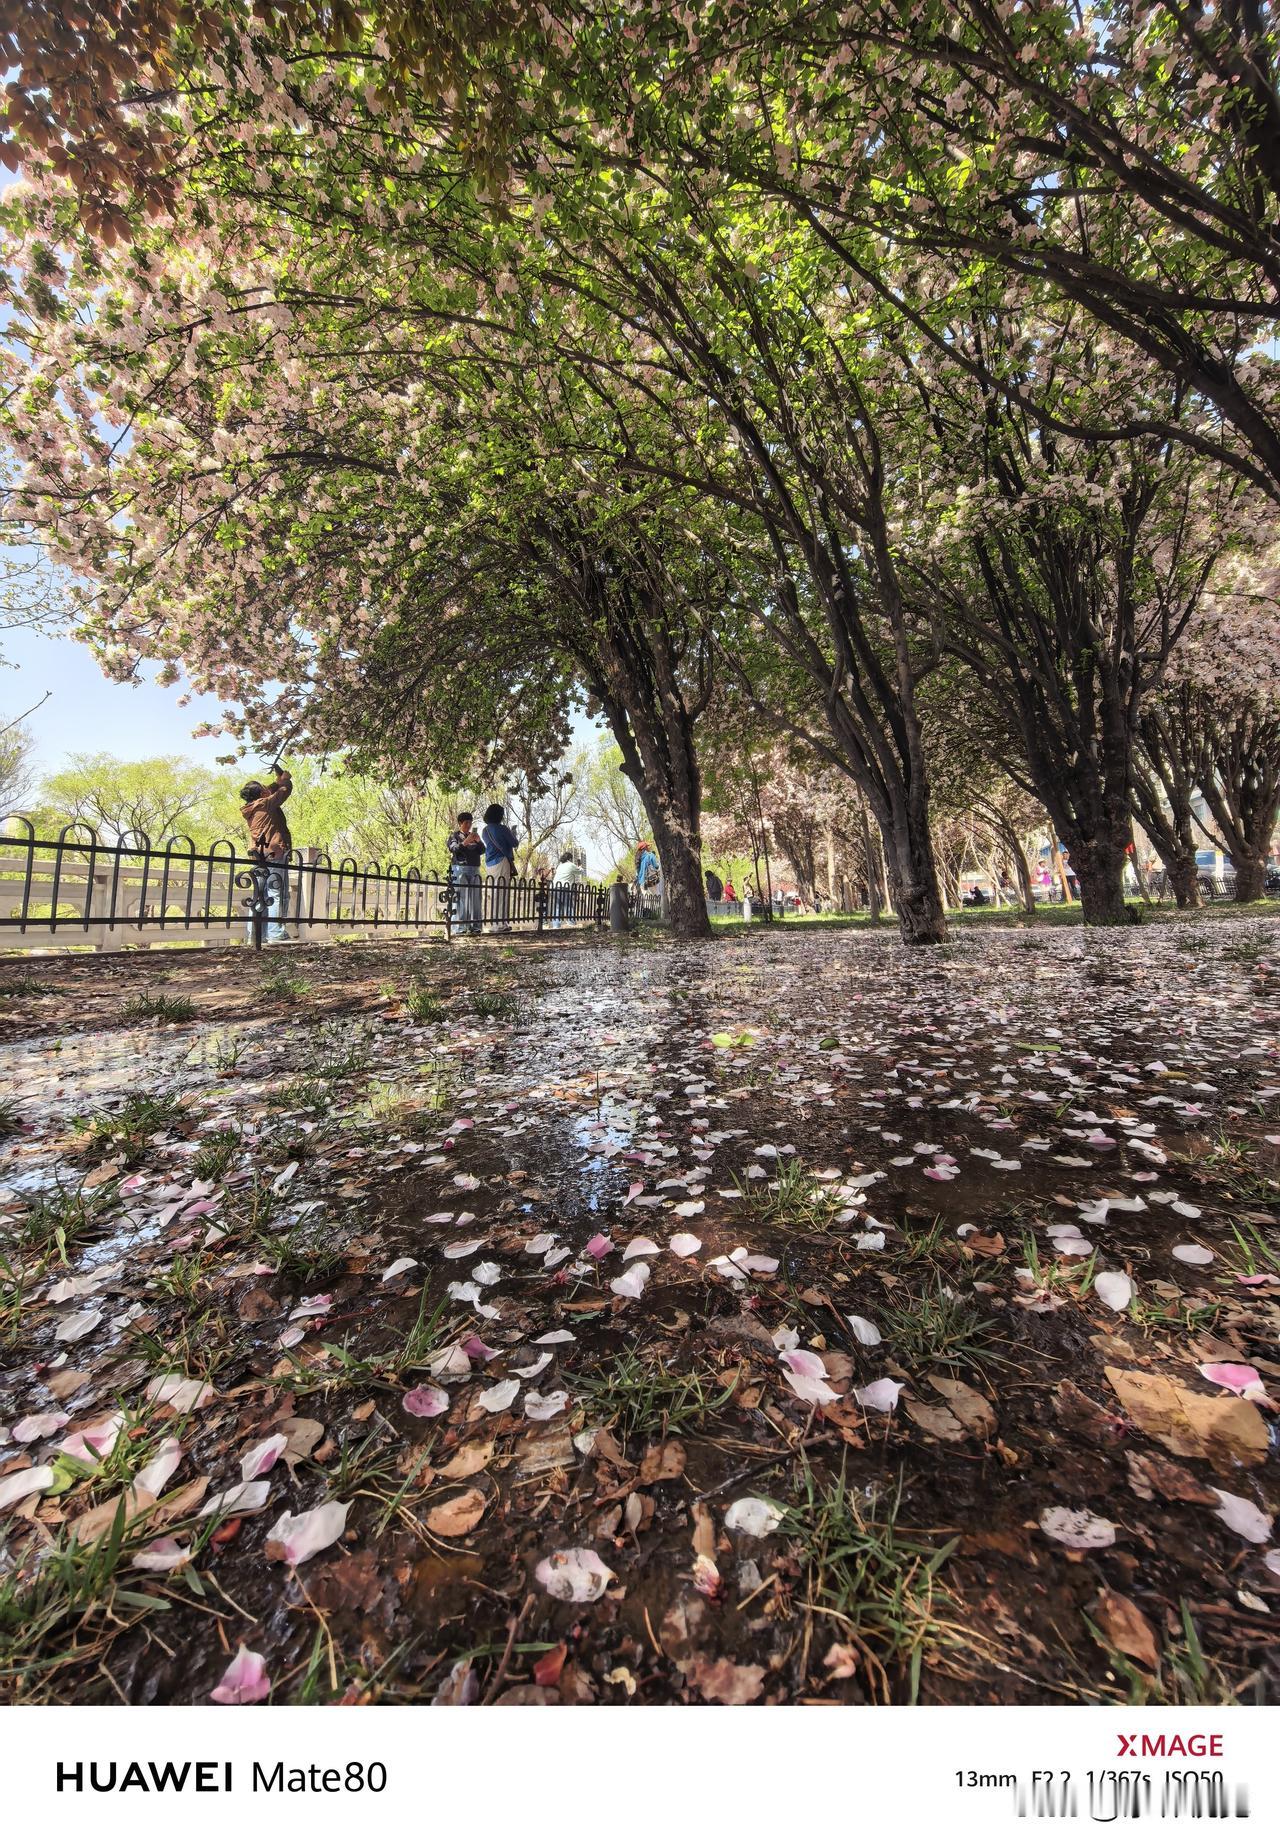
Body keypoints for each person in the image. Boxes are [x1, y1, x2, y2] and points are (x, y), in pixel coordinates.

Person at [240, 763, 293, 943]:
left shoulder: (254, 807)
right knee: (276, 892)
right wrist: (285, 780)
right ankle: (275, 933)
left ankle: (255, 935)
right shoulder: (265, 803)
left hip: (259, 854)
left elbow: (270, 790)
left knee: (259, 894)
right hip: (274, 852)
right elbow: (283, 791)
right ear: (262, 795)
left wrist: (277, 779)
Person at [481, 801, 519, 932]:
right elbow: (514, 843)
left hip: (489, 863)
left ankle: (494, 922)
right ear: (499, 815)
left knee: (493, 892)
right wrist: (513, 832)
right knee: (502, 892)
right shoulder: (503, 829)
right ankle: (500, 923)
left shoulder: (485, 830)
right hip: (502, 861)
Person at [447, 811, 484, 935]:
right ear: (460, 823)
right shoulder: (454, 836)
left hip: (474, 868)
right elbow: (454, 849)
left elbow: (482, 850)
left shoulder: (474, 835)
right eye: (466, 823)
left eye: (470, 822)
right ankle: (459, 927)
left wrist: (478, 841)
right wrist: (465, 842)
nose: (468, 825)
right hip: (460, 869)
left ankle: (476, 926)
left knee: (475, 899)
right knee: (460, 898)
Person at [551, 846, 585, 926]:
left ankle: (556, 925)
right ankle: (571, 922)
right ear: (570, 858)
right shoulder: (570, 865)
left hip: (555, 887)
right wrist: (580, 865)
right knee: (568, 905)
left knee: (557, 906)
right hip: (564, 887)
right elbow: (580, 872)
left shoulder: (560, 865)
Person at [634, 840, 659, 915]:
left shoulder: (638, 858)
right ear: (645, 848)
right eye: (647, 846)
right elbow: (656, 866)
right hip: (651, 881)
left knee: (646, 900)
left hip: (642, 882)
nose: (649, 847)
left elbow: (637, 873)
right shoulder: (650, 855)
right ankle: (655, 915)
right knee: (655, 898)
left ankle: (648, 916)